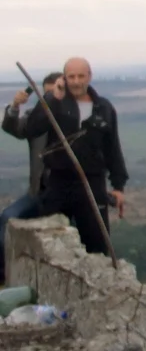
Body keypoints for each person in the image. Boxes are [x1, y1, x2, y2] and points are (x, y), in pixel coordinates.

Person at [24, 57, 128, 255]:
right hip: (58, 183)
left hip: (92, 183)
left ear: (89, 76)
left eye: (81, 76)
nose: (76, 81)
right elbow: (33, 128)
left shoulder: (103, 108)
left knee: (97, 246)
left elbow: (112, 148)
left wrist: (118, 186)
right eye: (71, 76)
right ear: (64, 78)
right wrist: (53, 98)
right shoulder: (56, 103)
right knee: (51, 246)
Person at [0, 71, 66, 282]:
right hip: (38, 192)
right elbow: (12, 128)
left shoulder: (73, 119)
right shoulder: (35, 120)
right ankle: (3, 274)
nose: (50, 99)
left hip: (67, 195)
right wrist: (15, 106)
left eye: (54, 94)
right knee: (7, 217)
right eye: (46, 95)